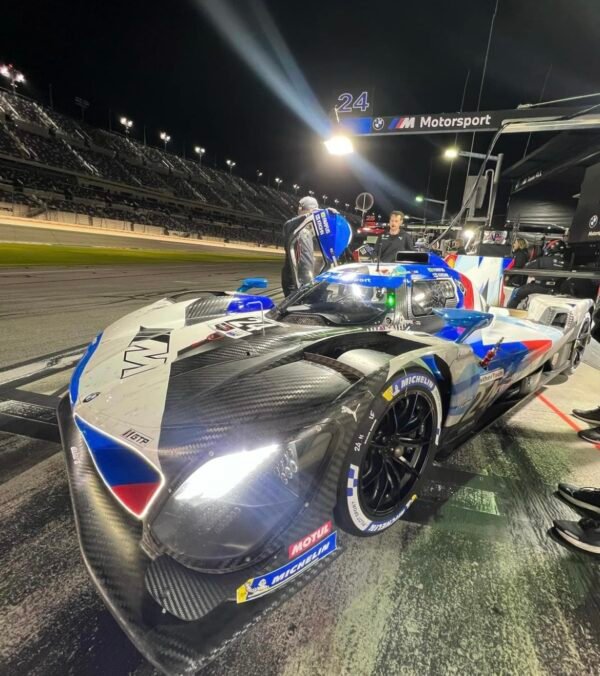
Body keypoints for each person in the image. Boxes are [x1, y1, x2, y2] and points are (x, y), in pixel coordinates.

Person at [507, 239, 567, 309]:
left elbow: (526, 268)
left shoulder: (543, 260)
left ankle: (509, 310)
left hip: (540, 287)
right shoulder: (567, 263)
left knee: (517, 293)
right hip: (556, 289)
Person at [281, 195, 318, 297]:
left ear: (301, 208)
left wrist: (330, 216)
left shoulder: (308, 229)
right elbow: (290, 224)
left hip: (306, 279)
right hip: (294, 281)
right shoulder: (291, 225)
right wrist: (310, 215)